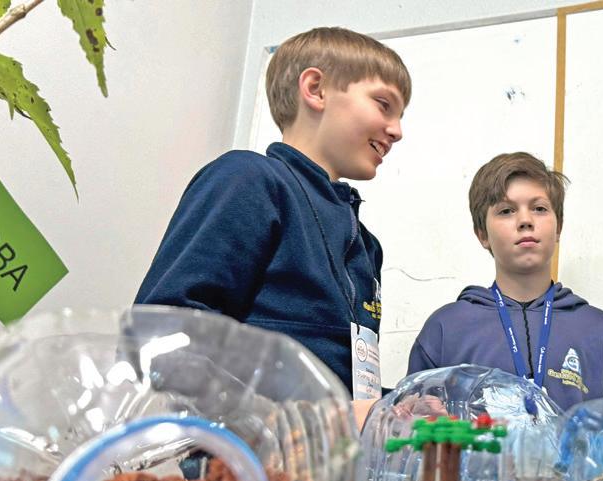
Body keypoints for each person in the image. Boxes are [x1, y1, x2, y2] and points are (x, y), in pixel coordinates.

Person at [136, 27, 411, 428]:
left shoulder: (367, 246)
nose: (397, 130)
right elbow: (164, 334)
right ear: (315, 89)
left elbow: (341, 387)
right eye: (384, 105)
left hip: (328, 458)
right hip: (245, 457)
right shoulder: (249, 179)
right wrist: (317, 420)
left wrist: (395, 407)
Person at [407, 152, 603, 411]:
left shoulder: (600, 333)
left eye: (539, 209)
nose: (526, 221)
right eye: (506, 211)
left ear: (558, 227)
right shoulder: (446, 329)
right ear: (482, 234)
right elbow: (414, 425)